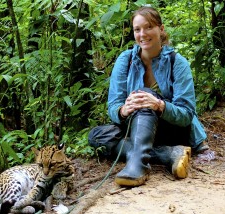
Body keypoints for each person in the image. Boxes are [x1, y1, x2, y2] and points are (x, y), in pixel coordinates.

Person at [88, 6, 208, 187]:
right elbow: (113, 106)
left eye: (148, 27)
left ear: (161, 29)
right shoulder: (125, 60)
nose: (142, 34)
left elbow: (186, 115)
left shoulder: (178, 62)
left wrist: (159, 105)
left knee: (145, 95)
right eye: (137, 29)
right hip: (138, 129)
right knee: (96, 136)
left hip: (172, 129)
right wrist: (122, 110)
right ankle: (167, 154)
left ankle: (138, 167)